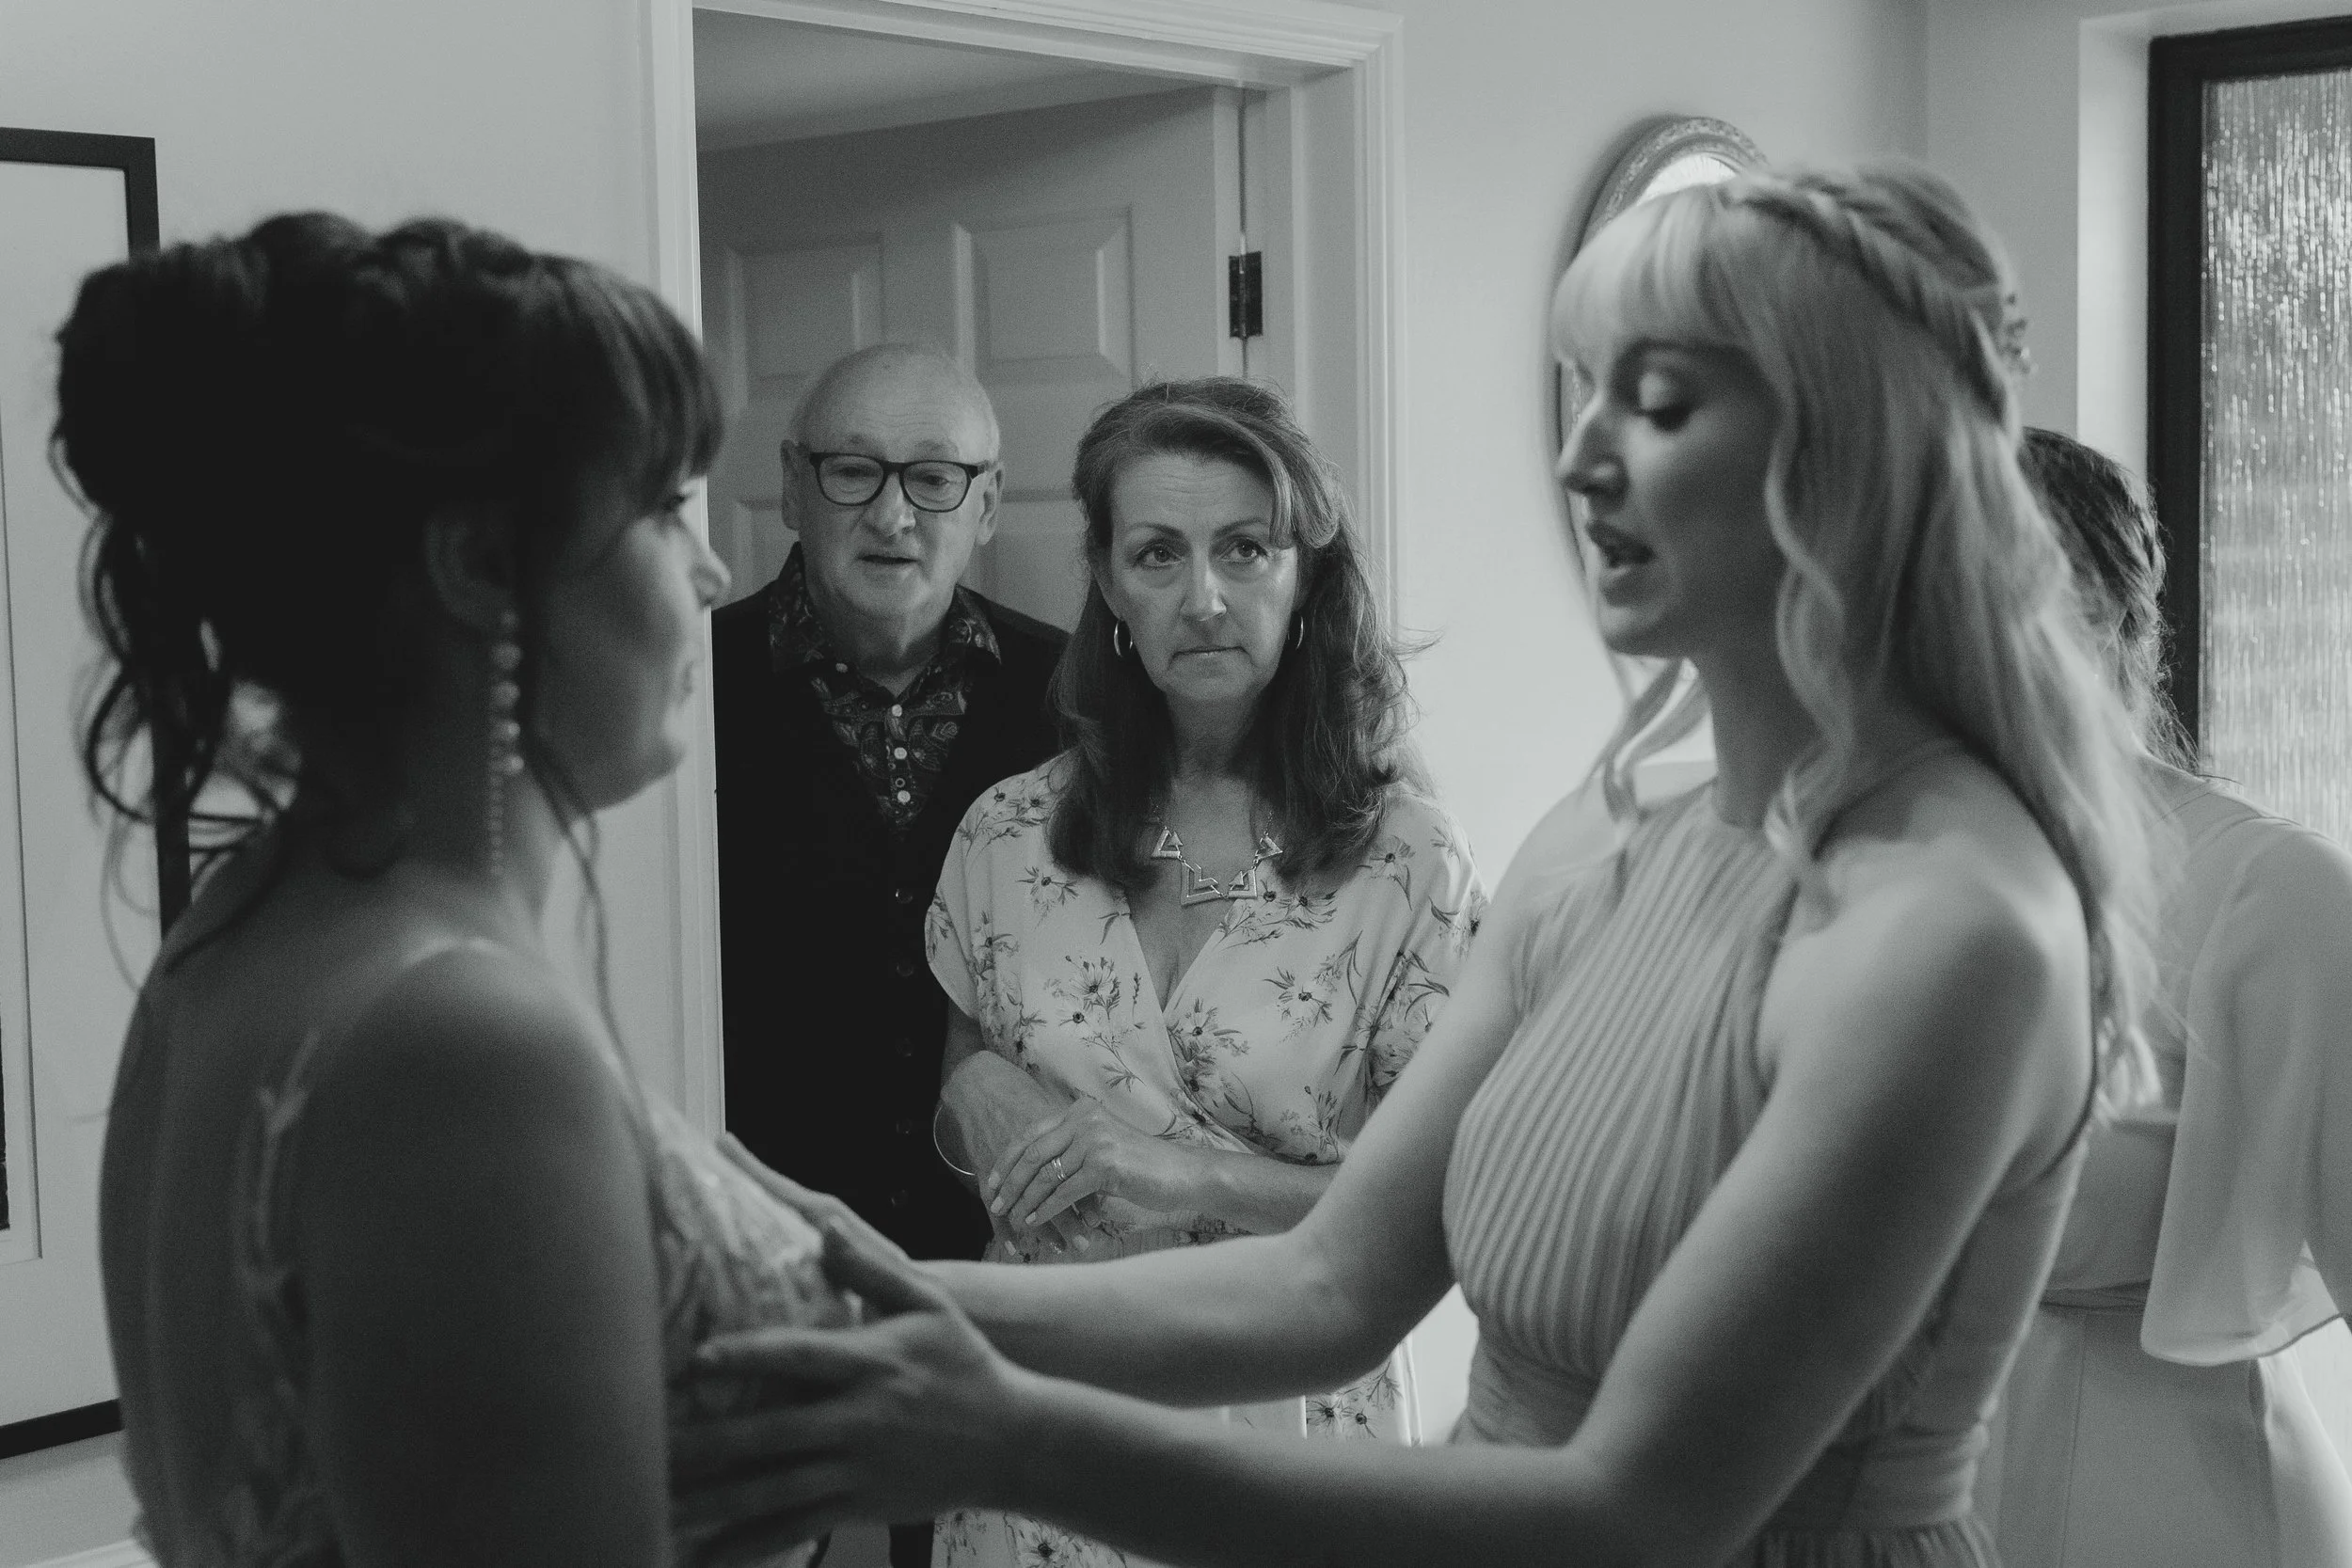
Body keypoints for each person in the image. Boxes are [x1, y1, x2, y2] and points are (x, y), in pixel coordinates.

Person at [674, 162, 2164, 1568]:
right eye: (1585, 398)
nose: (1580, 460)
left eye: (1656, 404)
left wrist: (1000, 1434)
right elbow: (1329, 1284)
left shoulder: (1952, 926)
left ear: (1851, 449)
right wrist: (889, 1289)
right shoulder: (1608, 836)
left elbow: (1634, 1513)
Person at [70, 213, 850, 1568]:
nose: (716, 569)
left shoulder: (239, 928)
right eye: (667, 507)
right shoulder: (463, 1041)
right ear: (480, 563)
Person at [918, 376, 1485, 1567]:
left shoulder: (1406, 863)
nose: (1205, 597)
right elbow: (963, 1077)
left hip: (1284, 1438)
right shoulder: (1006, 831)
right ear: (1112, 585)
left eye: (1245, 548)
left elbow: (1439, 1211)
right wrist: (968, 1099)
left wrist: (1178, 1174)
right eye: (1159, 554)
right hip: (1039, 1422)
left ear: (1303, 573)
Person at [1976, 428, 2352, 1567]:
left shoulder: (2267, 889)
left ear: (2098, 621)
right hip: (1922, 1483)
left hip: (2173, 1498)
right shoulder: (1891, 878)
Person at [711, 344, 1065, 1261]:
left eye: (934, 477)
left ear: (985, 502)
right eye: (853, 470)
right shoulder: (688, 688)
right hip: (759, 1258)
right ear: (794, 485)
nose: (892, 513)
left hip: (1017, 1267)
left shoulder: (1079, 701)